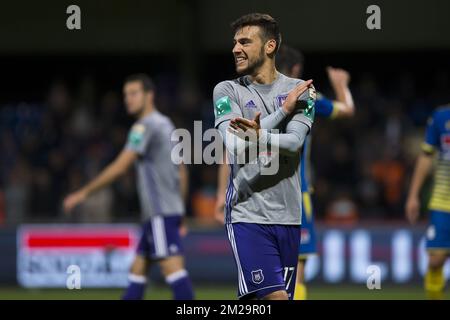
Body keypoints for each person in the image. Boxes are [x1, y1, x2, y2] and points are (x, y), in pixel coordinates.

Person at [63, 74, 194, 300]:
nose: (128, 99)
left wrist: (83, 193)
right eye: (125, 95)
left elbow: (121, 166)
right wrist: (180, 211)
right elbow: (182, 171)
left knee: (172, 269)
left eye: (133, 93)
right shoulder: (166, 123)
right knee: (138, 270)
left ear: (149, 95)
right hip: (164, 212)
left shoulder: (144, 127)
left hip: (160, 213)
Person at [213, 13, 315, 300]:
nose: (236, 49)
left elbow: (294, 142)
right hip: (247, 214)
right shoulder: (226, 90)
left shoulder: (302, 90)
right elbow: (234, 145)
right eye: (235, 42)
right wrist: (282, 113)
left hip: (289, 216)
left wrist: (259, 134)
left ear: (270, 46)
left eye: (245, 41)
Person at [276, 45, 355, 300]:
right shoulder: (307, 94)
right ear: (297, 68)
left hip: (262, 191)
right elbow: (347, 109)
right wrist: (341, 84)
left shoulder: (256, 92)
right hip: (297, 191)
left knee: (266, 269)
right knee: (297, 267)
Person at [405, 105, 450, 300]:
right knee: (435, 260)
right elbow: (426, 156)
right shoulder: (441, 117)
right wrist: (413, 195)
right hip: (443, 199)